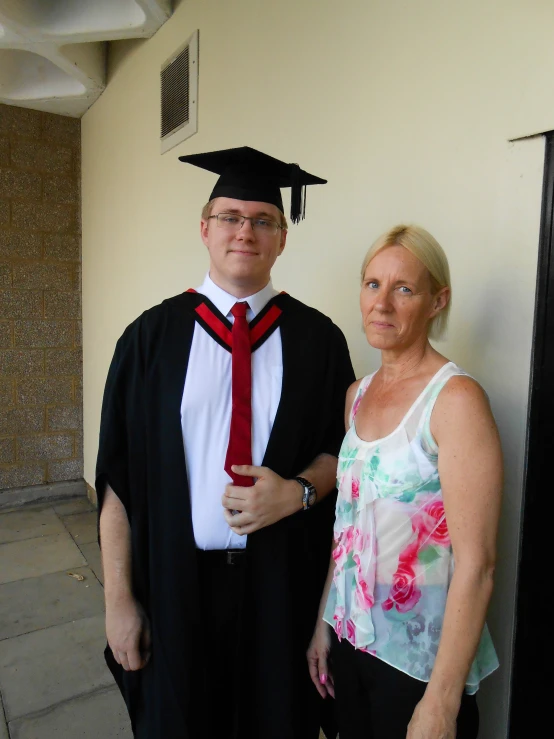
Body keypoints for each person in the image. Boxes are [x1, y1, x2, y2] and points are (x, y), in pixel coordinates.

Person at [96, 146, 355, 739]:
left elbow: (343, 455)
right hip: (174, 589)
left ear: (282, 238)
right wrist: (119, 602)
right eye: (231, 217)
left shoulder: (319, 342)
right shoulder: (148, 341)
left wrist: (297, 493)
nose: (246, 231)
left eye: (263, 219)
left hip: (280, 593)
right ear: (206, 229)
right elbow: (117, 482)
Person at [307, 225, 502, 739]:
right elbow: (347, 525)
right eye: (373, 284)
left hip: (418, 666)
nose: (382, 305)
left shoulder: (454, 401)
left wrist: (441, 702)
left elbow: (477, 565)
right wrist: (325, 622)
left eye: (404, 289)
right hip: (349, 647)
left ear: (438, 300)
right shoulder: (358, 394)